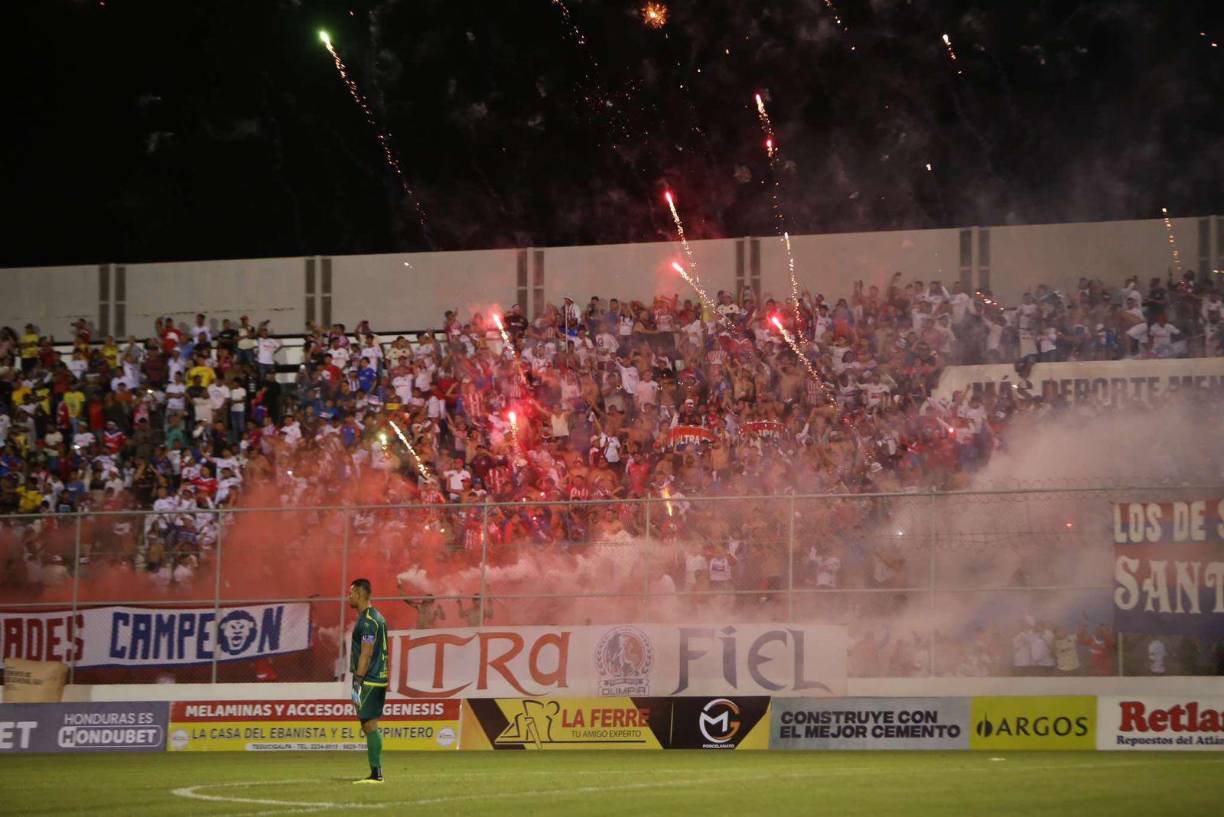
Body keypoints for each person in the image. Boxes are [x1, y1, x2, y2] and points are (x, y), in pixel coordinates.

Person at [348, 578, 388, 784]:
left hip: (370, 680)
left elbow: (366, 653)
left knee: (370, 725)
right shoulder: (376, 617)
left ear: (360, 594)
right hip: (377, 678)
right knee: (369, 725)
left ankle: (376, 774)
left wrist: (357, 682)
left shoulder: (367, 622)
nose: (349, 596)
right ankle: (376, 772)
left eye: (351, 592)